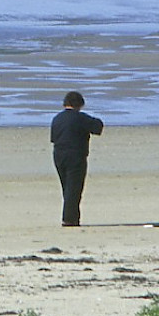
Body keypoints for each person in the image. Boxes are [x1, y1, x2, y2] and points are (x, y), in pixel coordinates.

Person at [50, 90, 104, 227]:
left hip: (58, 155)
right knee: (74, 189)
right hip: (76, 155)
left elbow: (54, 138)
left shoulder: (56, 119)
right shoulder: (80, 118)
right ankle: (69, 220)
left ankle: (72, 218)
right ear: (79, 105)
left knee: (67, 187)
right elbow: (98, 127)